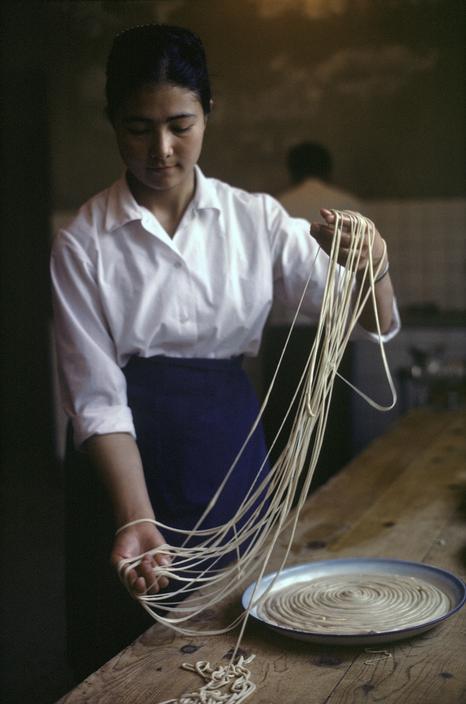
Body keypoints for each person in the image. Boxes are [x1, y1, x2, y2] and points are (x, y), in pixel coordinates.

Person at [50, 24, 399, 680]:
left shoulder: (257, 222)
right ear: (111, 125)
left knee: (239, 653)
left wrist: (374, 263)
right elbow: (97, 398)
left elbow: (361, 319)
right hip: (125, 473)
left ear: (209, 113)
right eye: (136, 128)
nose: (160, 150)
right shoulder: (83, 244)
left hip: (231, 460)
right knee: (120, 661)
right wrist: (135, 518)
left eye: (179, 124)